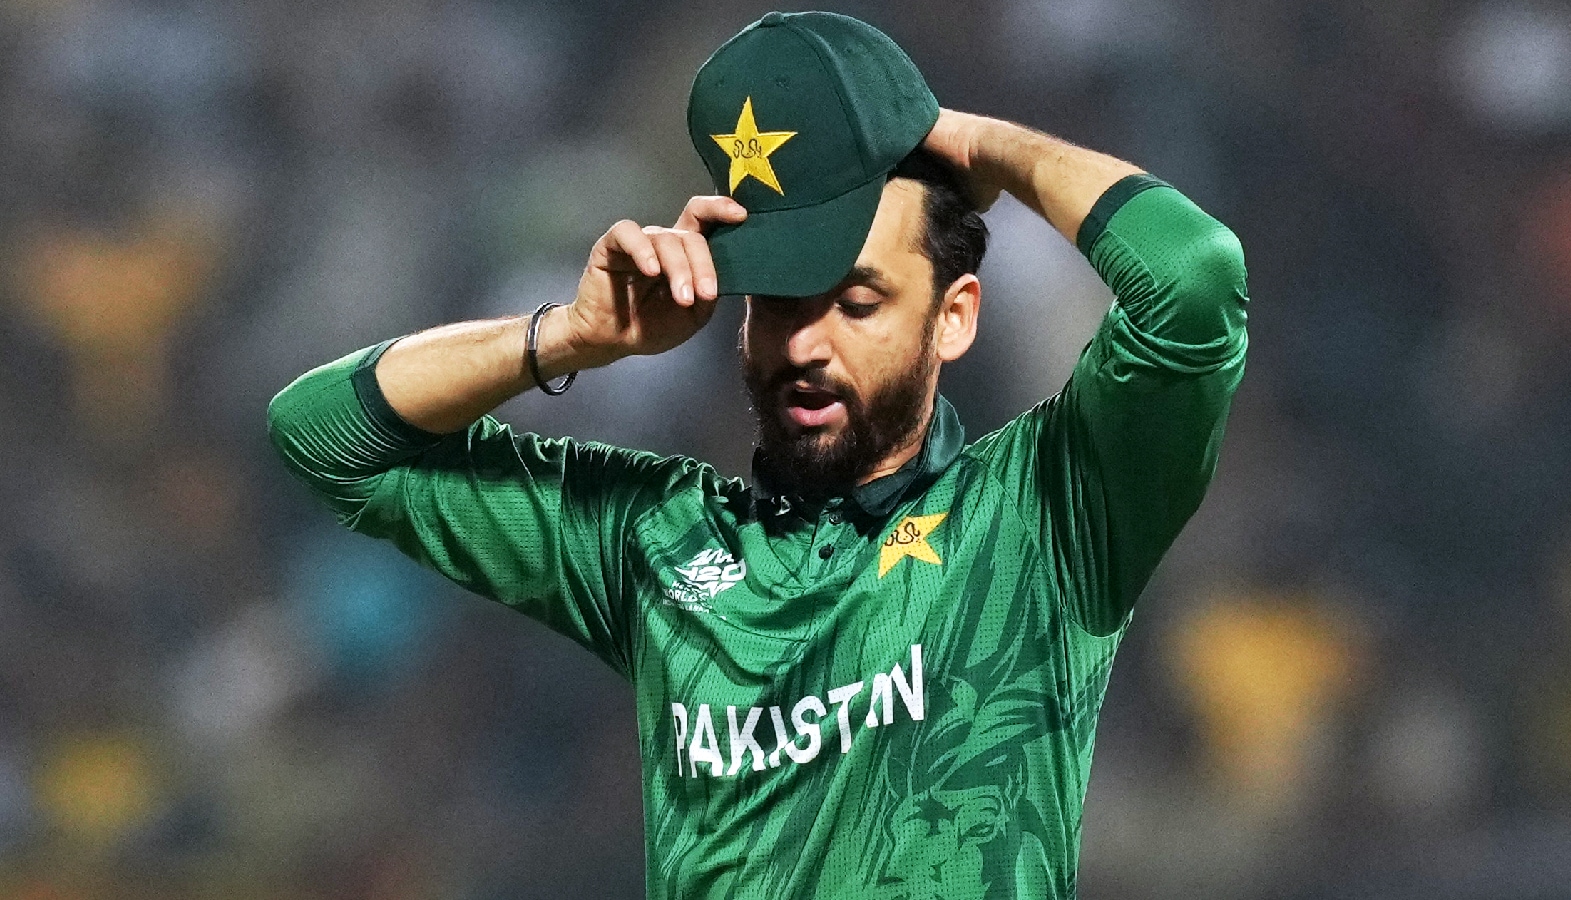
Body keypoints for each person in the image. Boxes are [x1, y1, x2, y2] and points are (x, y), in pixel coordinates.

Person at [268, 11, 1248, 899]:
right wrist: (563, 340)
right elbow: (324, 437)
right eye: (778, 303)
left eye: (857, 303)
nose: (807, 344)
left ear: (950, 319)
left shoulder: (1036, 517)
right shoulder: (654, 539)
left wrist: (968, 140)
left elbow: (1195, 283)